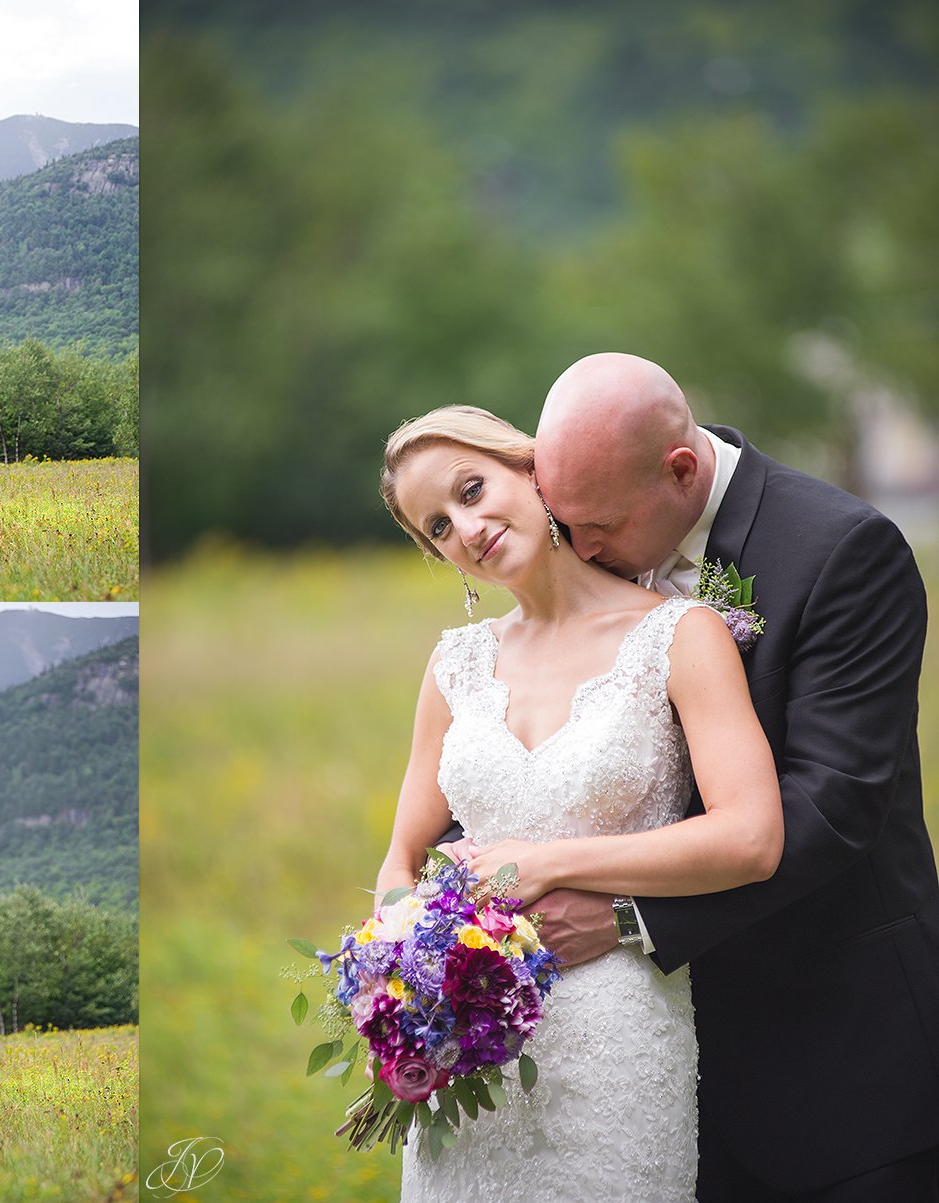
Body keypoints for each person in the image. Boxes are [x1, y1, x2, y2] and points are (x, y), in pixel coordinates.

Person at [513, 351, 939, 1200]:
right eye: (563, 520)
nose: (579, 547)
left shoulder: (845, 552)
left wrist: (631, 917)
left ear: (680, 469)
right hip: (656, 1070)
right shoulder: (590, 541)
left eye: (597, 524)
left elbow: (833, 804)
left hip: (838, 1054)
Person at [376, 405, 784, 1202]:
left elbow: (752, 836)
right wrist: (398, 973)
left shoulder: (679, 634)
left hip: (616, 1042)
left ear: (532, 471)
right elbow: (402, 857)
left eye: (471, 488)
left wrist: (546, 863)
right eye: (438, 525)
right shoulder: (455, 664)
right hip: (469, 1055)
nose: (466, 525)